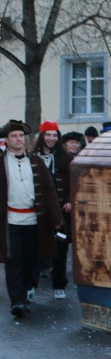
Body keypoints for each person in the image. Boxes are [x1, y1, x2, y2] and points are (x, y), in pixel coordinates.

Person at [1, 120, 62, 318]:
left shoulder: (36, 161)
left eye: (21, 136)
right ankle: (17, 301)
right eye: (14, 136)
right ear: (7, 140)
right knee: (14, 261)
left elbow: (49, 191)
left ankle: (26, 293)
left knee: (31, 260)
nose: (18, 139)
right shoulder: (1, 162)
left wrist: (56, 218)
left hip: (34, 221)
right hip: (10, 220)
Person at [31, 121, 72, 300]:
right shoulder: (32, 157)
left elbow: (74, 182)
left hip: (60, 213)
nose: (51, 138)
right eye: (48, 134)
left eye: (54, 135)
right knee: (35, 248)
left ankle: (59, 283)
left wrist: (70, 200)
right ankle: (31, 284)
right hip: (39, 213)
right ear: (42, 136)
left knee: (61, 247)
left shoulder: (65, 157)